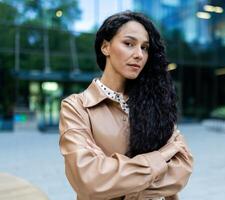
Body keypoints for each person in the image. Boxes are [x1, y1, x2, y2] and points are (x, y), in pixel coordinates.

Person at [59, 11, 193, 200]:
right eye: (129, 44)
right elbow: (88, 181)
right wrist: (161, 157)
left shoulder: (156, 101)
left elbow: (181, 171)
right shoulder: (77, 106)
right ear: (106, 47)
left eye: (145, 48)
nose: (139, 54)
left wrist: (113, 178)